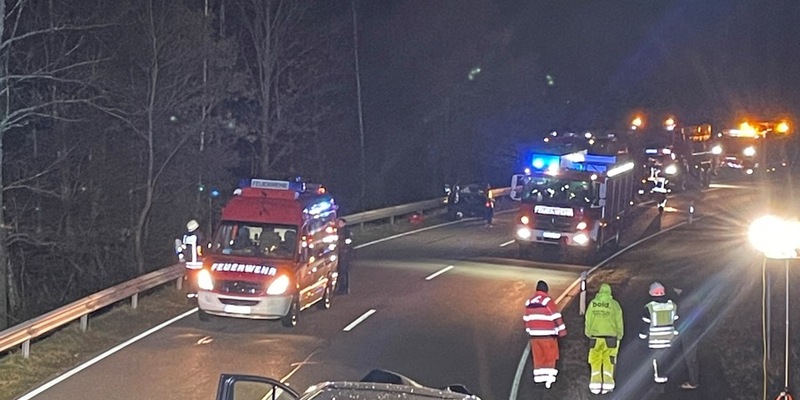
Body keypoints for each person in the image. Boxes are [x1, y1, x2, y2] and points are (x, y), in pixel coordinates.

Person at [523, 280, 567, 389]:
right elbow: (556, 316)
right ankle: (549, 379)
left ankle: (539, 379)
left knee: (539, 357)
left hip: (534, 335)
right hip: (548, 334)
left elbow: (526, 319)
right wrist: (562, 330)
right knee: (550, 356)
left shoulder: (529, 302)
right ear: (546, 290)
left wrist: (529, 330)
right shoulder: (547, 301)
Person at [584, 283, 624, 395]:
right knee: (609, 361)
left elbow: (588, 319)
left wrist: (588, 332)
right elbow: (619, 321)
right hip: (611, 337)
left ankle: (595, 386)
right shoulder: (614, 304)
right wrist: (620, 335)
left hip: (595, 337)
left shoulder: (593, 304)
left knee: (595, 361)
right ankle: (608, 385)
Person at [639, 281, 679, 390]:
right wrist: (676, 332)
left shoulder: (649, 307)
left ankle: (660, 385)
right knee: (667, 359)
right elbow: (676, 320)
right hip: (669, 339)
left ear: (651, 293)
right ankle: (668, 379)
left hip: (655, 340)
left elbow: (646, 324)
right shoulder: (672, 305)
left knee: (657, 361)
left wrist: (642, 335)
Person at [674, 287, 700, 390]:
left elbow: (682, 317)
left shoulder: (685, 300)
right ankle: (693, 379)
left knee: (690, 356)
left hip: (690, 331)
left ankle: (694, 382)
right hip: (694, 329)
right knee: (691, 356)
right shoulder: (692, 297)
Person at [336, 218, 353, 294]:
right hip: (337, 253)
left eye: (340, 223)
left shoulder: (347, 232)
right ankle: (339, 287)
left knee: (343, 271)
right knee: (338, 271)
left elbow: (349, 242)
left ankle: (345, 288)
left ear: (344, 223)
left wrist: (345, 247)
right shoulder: (335, 231)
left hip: (344, 254)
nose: (339, 224)